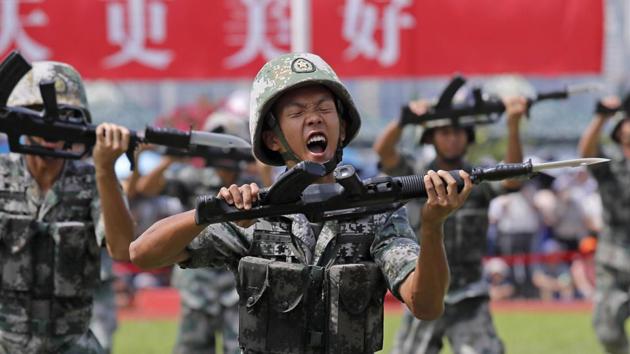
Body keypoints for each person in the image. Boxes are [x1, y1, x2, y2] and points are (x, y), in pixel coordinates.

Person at [129, 52, 473, 354]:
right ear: (272, 138)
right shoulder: (254, 214)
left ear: (342, 125)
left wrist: (432, 227)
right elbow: (142, 253)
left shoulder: (376, 213)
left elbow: (425, 305)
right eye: (297, 113)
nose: (314, 118)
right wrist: (209, 214)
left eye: (324, 108)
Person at [374, 94, 526, 354]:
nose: (452, 138)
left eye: (458, 132)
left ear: (468, 137)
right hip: (424, 287)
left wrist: (513, 125)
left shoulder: (479, 177)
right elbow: (385, 152)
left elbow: (514, 178)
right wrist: (403, 121)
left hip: (469, 294)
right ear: (432, 137)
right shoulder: (416, 175)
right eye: (444, 132)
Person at [0, 61, 135, 353]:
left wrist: (104, 171)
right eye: (40, 114)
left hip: (74, 345)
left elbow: (123, 248)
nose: (51, 127)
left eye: (65, 116)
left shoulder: (95, 181)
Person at [134, 92, 254, 354]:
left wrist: (259, 161)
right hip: (198, 282)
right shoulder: (194, 178)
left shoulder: (251, 184)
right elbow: (147, 187)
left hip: (237, 283)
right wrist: (172, 157)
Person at [578, 96, 630, 354]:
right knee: (607, 330)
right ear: (620, 130)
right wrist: (601, 116)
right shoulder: (608, 164)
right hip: (614, 261)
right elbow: (586, 153)